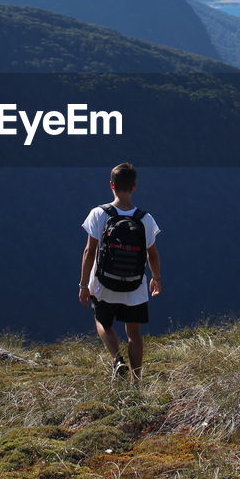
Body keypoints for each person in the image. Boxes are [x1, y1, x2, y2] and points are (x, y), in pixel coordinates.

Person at [78, 162, 162, 380]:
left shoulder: (98, 213)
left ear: (111, 185)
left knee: (102, 322)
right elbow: (152, 254)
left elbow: (89, 251)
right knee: (134, 333)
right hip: (135, 284)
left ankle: (117, 359)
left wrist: (83, 284)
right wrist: (157, 279)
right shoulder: (146, 219)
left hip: (103, 282)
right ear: (134, 187)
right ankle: (137, 381)